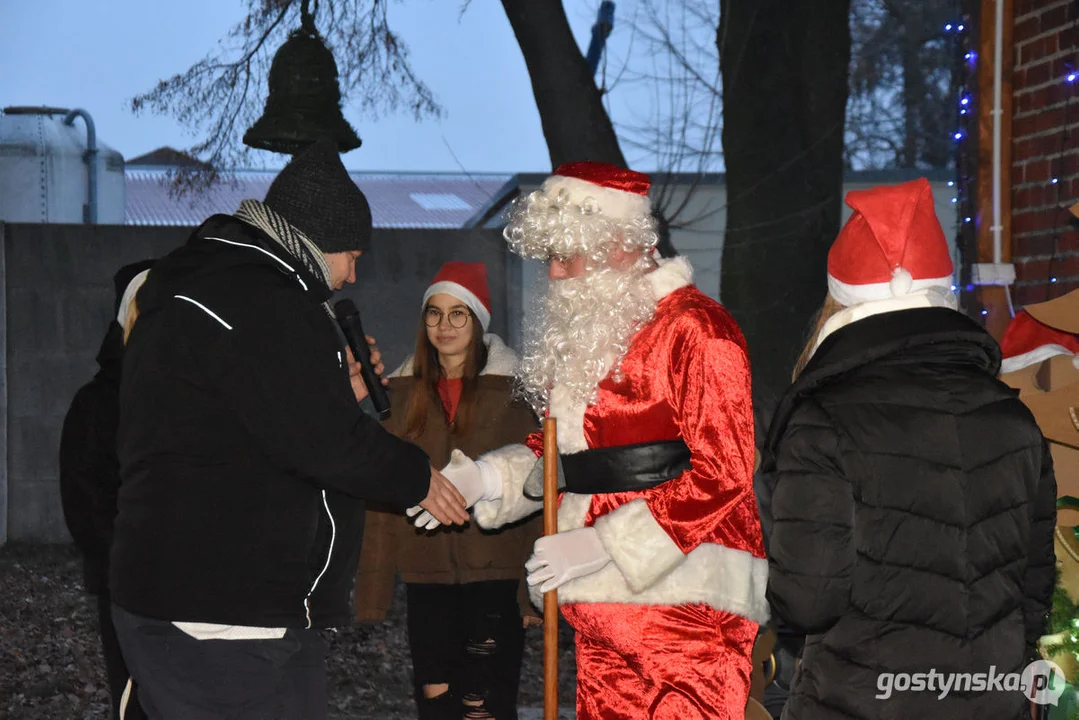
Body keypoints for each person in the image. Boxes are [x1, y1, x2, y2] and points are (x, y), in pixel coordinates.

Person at [108, 139, 469, 720]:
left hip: (199, 592)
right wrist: (416, 477)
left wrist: (331, 393)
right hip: (219, 604)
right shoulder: (263, 300)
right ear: (316, 239)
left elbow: (247, 422)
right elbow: (321, 442)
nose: (352, 274)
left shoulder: (214, 280)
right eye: (352, 254)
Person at [409, 162, 770, 719]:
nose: (554, 275)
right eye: (549, 258)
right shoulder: (591, 342)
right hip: (596, 611)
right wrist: (482, 477)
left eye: (565, 256)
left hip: (688, 613)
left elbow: (723, 471)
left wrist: (606, 543)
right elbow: (562, 456)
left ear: (620, 245)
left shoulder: (696, 329)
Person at [761, 178, 1057, 718]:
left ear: (839, 303)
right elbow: (1034, 588)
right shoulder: (1012, 416)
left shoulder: (824, 419)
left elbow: (806, 599)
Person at [355, 260, 542, 720]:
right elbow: (382, 495)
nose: (444, 325)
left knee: (483, 706)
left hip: (497, 576)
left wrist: (532, 593)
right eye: (434, 313)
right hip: (426, 580)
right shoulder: (399, 394)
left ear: (477, 320)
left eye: (458, 313)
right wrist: (372, 592)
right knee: (436, 703)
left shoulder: (514, 392)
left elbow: (537, 486)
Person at [59, 260, 153, 720]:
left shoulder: (196, 399)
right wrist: (128, 563)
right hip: (127, 589)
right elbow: (83, 501)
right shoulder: (95, 404)